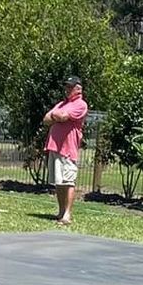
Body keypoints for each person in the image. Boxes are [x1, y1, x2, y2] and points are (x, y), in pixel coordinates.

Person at [42, 79, 89, 225]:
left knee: (68, 181)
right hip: (55, 146)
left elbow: (61, 117)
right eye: (66, 87)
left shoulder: (81, 104)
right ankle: (61, 212)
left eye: (70, 87)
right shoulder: (62, 104)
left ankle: (67, 215)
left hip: (68, 148)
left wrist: (56, 115)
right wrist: (58, 115)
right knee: (59, 182)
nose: (67, 90)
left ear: (78, 89)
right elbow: (46, 119)